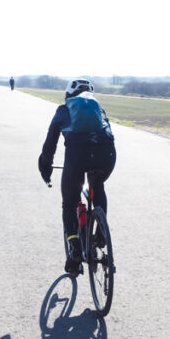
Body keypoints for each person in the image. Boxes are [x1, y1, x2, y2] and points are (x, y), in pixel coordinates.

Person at [38, 79, 116, 274]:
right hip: (106, 156)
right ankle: (101, 234)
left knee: (69, 203)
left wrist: (45, 167)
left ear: (68, 96)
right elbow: (108, 136)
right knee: (97, 185)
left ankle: (73, 248)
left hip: (77, 158)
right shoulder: (99, 109)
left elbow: (49, 146)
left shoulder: (63, 111)